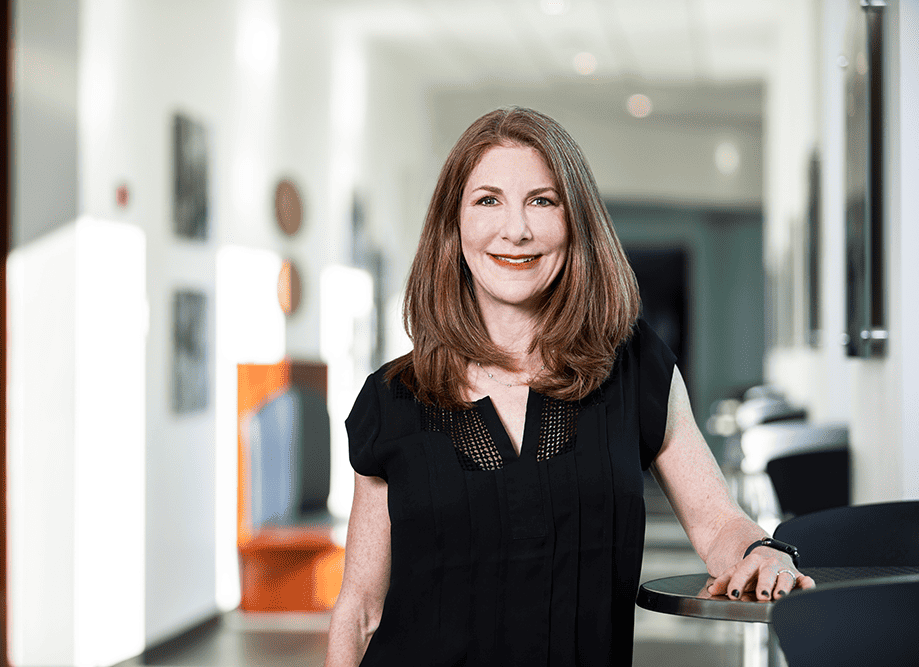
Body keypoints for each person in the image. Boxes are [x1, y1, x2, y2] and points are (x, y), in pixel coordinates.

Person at [324, 107, 812, 666]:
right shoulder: (392, 399)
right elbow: (360, 609)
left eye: (542, 200)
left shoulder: (634, 366)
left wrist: (759, 552)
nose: (517, 229)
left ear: (575, 219)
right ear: (451, 225)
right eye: (488, 200)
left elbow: (716, 521)